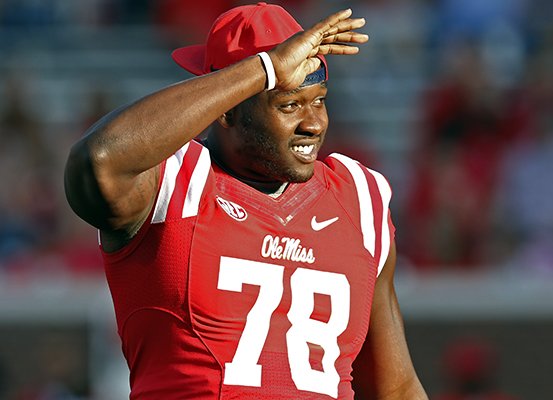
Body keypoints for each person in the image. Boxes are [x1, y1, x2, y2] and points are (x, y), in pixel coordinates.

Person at [64, 2, 428, 399]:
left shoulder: (358, 196)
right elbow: (96, 159)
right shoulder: (175, 182)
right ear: (227, 110)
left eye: (319, 100)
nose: (313, 124)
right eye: (289, 105)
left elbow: (395, 387)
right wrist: (265, 70)